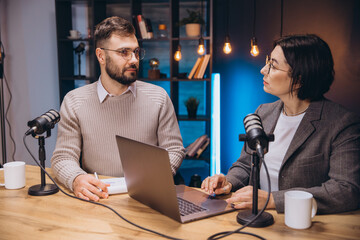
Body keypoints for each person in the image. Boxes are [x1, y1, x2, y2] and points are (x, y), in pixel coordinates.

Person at [201, 34, 360, 214]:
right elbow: (246, 164)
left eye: (273, 66)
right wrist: (228, 182)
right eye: (268, 62)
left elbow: (346, 190)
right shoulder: (263, 112)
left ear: (299, 79)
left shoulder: (342, 123)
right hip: (257, 219)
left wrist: (273, 200)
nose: (263, 70)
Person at [51, 16, 185, 202]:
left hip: (148, 196)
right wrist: (76, 178)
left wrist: (153, 178)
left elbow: (174, 149)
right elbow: (63, 157)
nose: (134, 60)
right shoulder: (74, 101)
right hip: (98, 198)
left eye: (136, 52)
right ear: (101, 56)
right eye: (124, 52)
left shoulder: (159, 97)